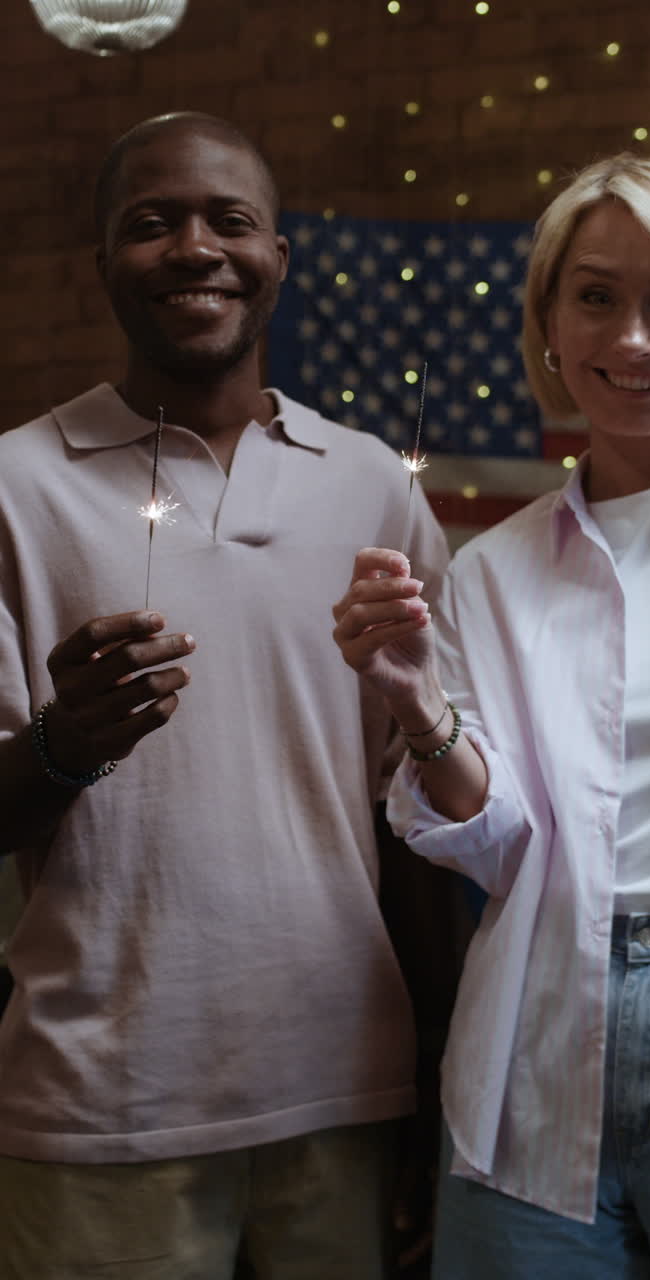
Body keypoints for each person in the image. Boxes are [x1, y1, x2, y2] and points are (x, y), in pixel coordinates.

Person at [0, 111, 448, 1280]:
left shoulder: (373, 489)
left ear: (279, 258)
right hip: (102, 1104)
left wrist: (434, 1076)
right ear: (103, 260)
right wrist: (58, 745)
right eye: (151, 224)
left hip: (347, 1088)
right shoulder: (13, 486)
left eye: (228, 219)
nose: (194, 247)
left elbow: (429, 814)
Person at [333, 149, 650, 1277]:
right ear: (549, 320)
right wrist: (417, 704)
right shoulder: (492, 568)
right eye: (595, 295)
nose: (631, 339)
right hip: (540, 1028)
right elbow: (498, 840)